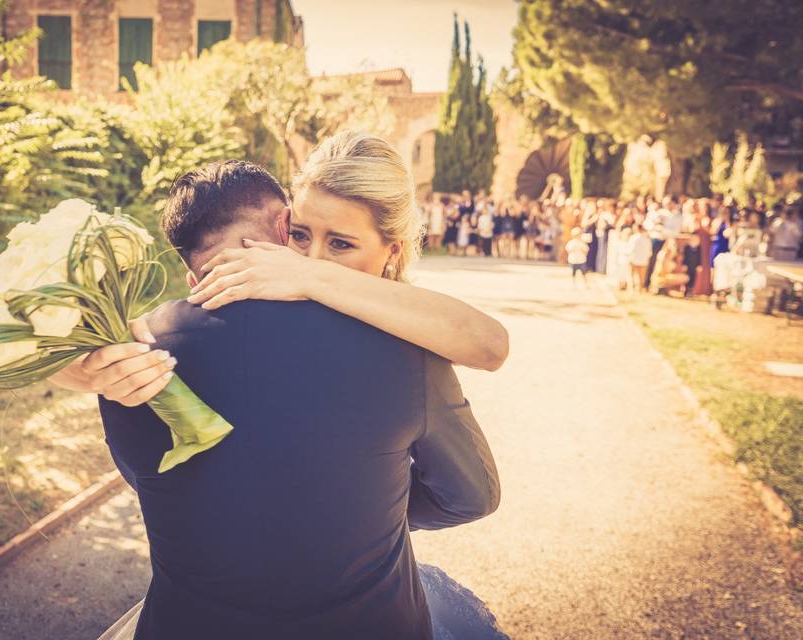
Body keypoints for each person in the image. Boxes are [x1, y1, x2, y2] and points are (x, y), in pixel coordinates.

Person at [58, 137, 510, 638]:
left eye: (339, 244)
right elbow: (471, 496)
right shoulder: (407, 355)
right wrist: (361, 518)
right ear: (281, 226)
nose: (309, 261)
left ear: (391, 252)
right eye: (299, 236)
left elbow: (145, 475)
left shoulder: (143, 345)